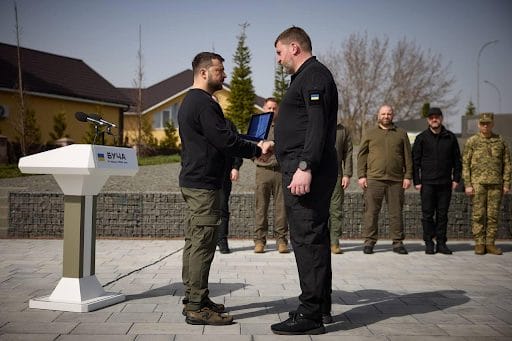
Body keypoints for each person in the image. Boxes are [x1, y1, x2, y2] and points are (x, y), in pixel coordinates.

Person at [178, 51, 272, 325]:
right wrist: (256, 150)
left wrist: (250, 145)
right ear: (204, 73)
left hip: (196, 181)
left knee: (195, 242)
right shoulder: (203, 103)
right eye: (220, 70)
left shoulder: (194, 101)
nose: (225, 75)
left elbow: (223, 137)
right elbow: (225, 141)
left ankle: (195, 297)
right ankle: (196, 307)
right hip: (204, 185)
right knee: (203, 244)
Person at [269, 26, 338, 335]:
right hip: (301, 164)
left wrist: (305, 165)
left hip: (306, 169)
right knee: (315, 238)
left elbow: (317, 125)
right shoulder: (306, 77)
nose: (278, 58)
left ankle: (310, 314)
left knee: (307, 238)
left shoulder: (313, 76)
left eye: (279, 51)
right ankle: (320, 307)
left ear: (294, 47)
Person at [357, 104, 413, 255]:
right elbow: (362, 156)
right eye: (383, 114)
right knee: (371, 212)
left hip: (396, 180)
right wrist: (362, 176)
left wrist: (408, 176)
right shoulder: (370, 133)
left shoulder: (401, 133)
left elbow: (408, 156)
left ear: (392, 115)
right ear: (378, 115)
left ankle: (398, 242)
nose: (386, 116)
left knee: (396, 213)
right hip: (374, 179)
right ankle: (369, 242)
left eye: (388, 114)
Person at [412, 107, 462, 255]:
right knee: (427, 215)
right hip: (427, 183)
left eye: (437, 117)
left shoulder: (450, 137)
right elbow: (415, 161)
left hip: (445, 183)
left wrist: (456, 179)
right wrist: (417, 181)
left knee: (442, 215)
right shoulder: (421, 138)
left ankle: (441, 243)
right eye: (431, 117)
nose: (434, 119)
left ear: (441, 119)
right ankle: (429, 242)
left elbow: (457, 161)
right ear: (428, 120)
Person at [462, 112, 511, 255]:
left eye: (488, 123)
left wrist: (506, 183)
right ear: (479, 125)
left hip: (496, 184)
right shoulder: (472, 141)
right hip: (478, 184)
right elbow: (465, 163)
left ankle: (490, 243)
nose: (485, 125)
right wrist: (468, 184)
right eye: (482, 123)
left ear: (492, 124)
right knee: (478, 214)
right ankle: (479, 243)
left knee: (493, 215)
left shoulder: (500, 141)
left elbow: (507, 164)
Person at [253, 97, 289, 253]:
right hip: (263, 171)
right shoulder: (258, 126)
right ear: (264, 108)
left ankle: (281, 241)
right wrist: (255, 156)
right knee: (261, 208)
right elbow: (249, 144)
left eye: (274, 108)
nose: (272, 111)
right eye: (269, 108)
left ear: (278, 110)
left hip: (280, 171)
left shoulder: (284, 126)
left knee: (281, 209)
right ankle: (260, 241)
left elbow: (289, 145)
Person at [217, 118, 243, 254]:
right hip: (203, 174)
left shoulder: (228, 124)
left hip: (224, 174)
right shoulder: (199, 122)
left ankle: (222, 240)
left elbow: (237, 146)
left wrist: (236, 166)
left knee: (222, 207)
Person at [329, 121, 353, 254]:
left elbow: (348, 152)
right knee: (319, 211)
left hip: (337, 175)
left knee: (336, 210)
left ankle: (334, 242)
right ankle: (321, 241)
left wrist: (347, 174)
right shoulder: (316, 123)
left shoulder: (342, 130)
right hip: (317, 176)